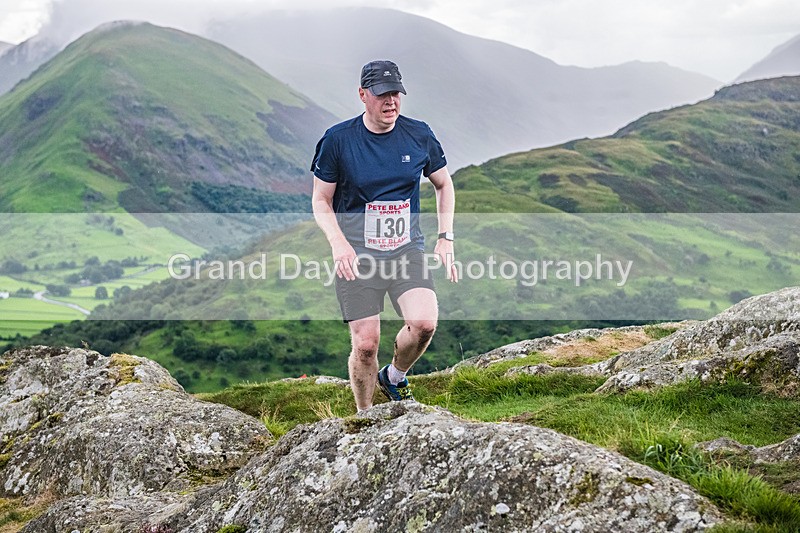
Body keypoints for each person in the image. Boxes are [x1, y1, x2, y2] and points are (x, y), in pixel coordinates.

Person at [311, 59, 458, 412]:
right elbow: (320, 199)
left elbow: (443, 183)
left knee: (423, 324)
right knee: (365, 344)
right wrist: (338, 243)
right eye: (381, 94)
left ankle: (393, 377)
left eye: (396, 93)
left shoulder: (419, 134)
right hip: (358, 254)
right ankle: (364, 417)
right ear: (363, 95)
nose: (391, 101)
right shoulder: (338, 140)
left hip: (405, 249)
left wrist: (446, 236)